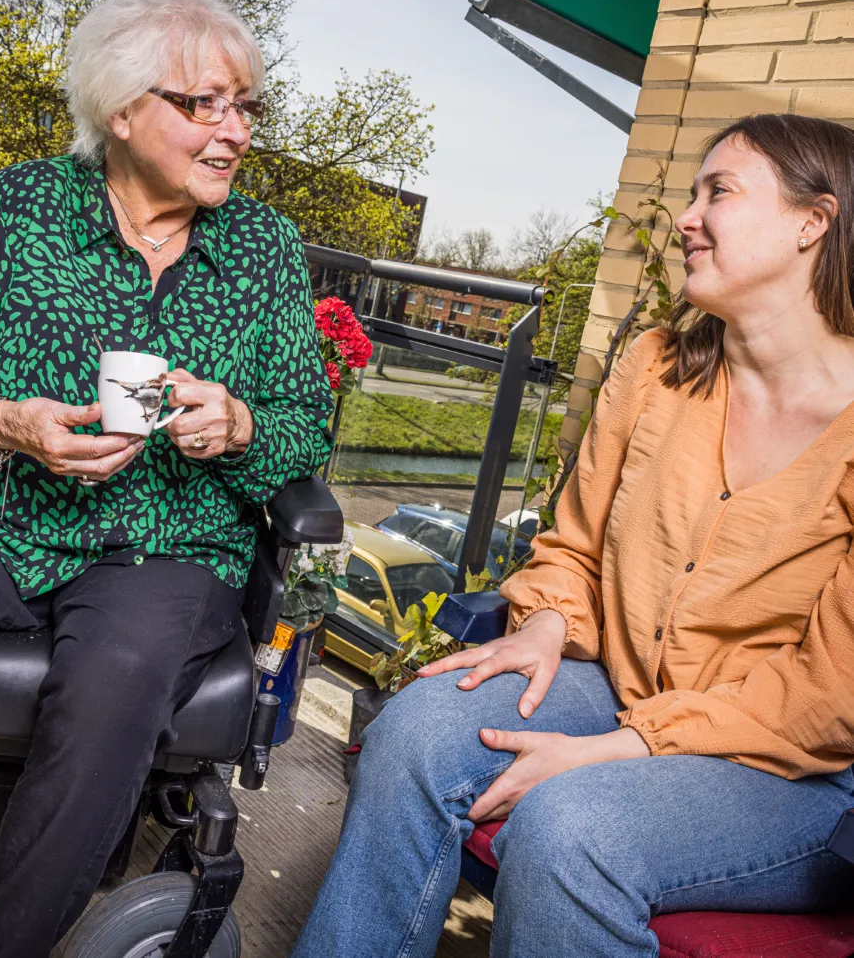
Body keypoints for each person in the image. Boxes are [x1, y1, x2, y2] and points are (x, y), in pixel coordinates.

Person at [0, 0, 332, 958]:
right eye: (206, 103)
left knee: (117, 669)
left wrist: (239, 424)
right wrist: (3, 425)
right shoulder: (22, 209)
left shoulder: (265, 250)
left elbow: (305, 429)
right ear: (120, 110)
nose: (236, 131)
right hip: (6, 523)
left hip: (168, 544)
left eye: (246, 106)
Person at [292, 112, 854, 957]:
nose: (688, 218)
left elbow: (825, 699)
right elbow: (575, 546)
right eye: (691, 193)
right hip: (622, 688)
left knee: (569, 830)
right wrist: (549, 622)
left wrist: (622, 750)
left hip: (781, 768)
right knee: (412, 731)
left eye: (720, 193)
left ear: (813, 222)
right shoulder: (658, 368)